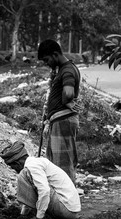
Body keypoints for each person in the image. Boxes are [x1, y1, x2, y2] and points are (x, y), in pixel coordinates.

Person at [0, 141, 81, 219]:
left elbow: (44, 191)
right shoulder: (36, 162)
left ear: (17, 163)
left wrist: (39, 217)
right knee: (30, 179)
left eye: (13, 167)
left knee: (23, 175)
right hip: (70, 208)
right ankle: (42, 216)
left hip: (66, 209)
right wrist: (23, 214)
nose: (14, 170)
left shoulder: (31, 167)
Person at [38, 39, 81, 184]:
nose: (46, 63)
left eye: (46, 59)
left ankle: (67, 202)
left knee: (62, 166)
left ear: (55, 54)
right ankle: (62, 201)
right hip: (59, 121)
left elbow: (68, 93)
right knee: (56, 165)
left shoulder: (68, 70)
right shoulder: (63, 69)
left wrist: (66, 101)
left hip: (63, 121)